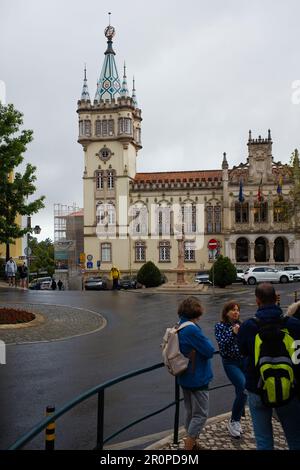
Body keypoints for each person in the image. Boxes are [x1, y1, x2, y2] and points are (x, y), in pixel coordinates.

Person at [238, 283, 300, 450]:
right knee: (295, 438)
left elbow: (243, 353)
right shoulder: (294, 325)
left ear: (257, 301)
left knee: (263, 440)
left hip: (257, 387)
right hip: (289, 387)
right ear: (276, 298)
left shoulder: (248, 326)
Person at [177, 296, 215, 450]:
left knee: (191, 412)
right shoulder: (192, 329)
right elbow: (209, 350)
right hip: (197, 377)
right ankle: (188, 445)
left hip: (185, 376)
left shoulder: (180, 325)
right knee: (200, 414)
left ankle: (193, 444)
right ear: (196, 311)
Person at [215, 301, 247, 438]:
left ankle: (237, 420)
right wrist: (233, 333)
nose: (236, 312)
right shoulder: (220, 326)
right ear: (226, 312)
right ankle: (233, 421)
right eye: (233, 310)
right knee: (243, 387)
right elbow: (222, 344)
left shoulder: (242, 325)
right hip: (230, 362)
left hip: (244, 361)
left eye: (237, 310)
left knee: (243, 391)